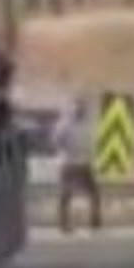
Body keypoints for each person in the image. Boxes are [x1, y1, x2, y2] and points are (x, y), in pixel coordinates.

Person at [53, 94, 102, 233]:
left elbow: (92, 141)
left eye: (82, 108)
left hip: (85, 162)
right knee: (66, 194)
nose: (80, 110)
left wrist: (91, 154)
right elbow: (56, 141)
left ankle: (95, 221)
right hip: (69, 163)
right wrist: (67, 150)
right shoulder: (64, 124)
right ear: (72, 109)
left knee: (94, 193)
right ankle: (64, 225)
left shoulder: (88, 124)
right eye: (77, 108)